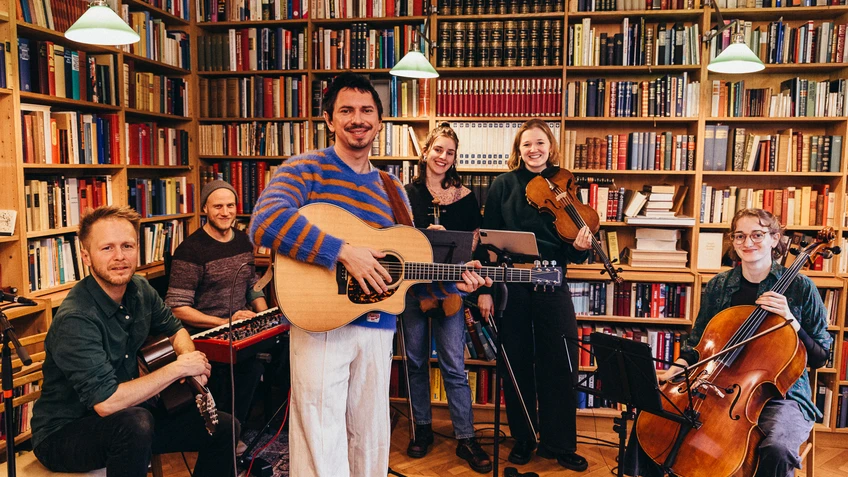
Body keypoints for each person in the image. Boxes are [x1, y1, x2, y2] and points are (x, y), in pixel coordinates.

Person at [249, 72, 491, 477]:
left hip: (377, 328)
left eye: (366, 111)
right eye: (346, 110)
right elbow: (265, 221)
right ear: (329, 119)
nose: (357, 119)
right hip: (320, 324)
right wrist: (342, 252)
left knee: (370, 434)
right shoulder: (305, 168)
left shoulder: (392, 189)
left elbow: (408, 276)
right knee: (320, 432)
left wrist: (453, 280)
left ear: (379, 122)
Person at [31, 205, 238, 477]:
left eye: (127, 246)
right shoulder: (76, 318)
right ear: (86, 256)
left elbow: (177, 331)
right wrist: (178, 368)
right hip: (65, 433)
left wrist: (192, 365)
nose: (120, 257)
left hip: (130, 416)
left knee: (225, 427)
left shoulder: (139, 288)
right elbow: (106, 403)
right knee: (135, 423)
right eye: (107, 248)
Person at [647, 208, 832, 477]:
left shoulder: (801, 288)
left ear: (774, 238)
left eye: (757, 235)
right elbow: (697, 344)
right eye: (740, 236)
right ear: (732, 241)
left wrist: (791, 320)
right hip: (715, 385)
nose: (747, 243)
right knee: (658, 423)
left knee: (777, 448)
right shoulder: (719, 285)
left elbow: (820, 356)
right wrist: (674, 371)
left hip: (783, 395)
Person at [477, 118, 591, 472]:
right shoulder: (502, 185)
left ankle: (560, 443)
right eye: (527, 144)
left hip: (550, 275)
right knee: (516, 361)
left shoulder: (565, 183)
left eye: (540, 142)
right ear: (519, 149)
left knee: (560, 360)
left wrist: (581, 247)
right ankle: (524, 438)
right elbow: (488, 243)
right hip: (511, 279)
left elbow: (573, 245)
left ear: (550, 146)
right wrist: (488, 290)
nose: (534, 149)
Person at [402, 123, 491, 473]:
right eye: (438, 149)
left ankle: (466, 437)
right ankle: (421, 429)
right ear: (426, 152)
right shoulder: (405, 193)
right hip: (411, 289)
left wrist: (453, 249)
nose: (443, 157)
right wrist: (424, 241)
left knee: (454, 365)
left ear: (455, 158)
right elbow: (393, 238)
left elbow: (476, 245)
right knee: (415, 362)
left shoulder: (466, 197)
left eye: (450, 152)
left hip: (451, 291)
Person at [165, 180, 269, 432]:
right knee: (250, 368)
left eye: (230, 205)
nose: (225, 212)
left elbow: (252, 284)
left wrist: (265, 316)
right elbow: (176, 307)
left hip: (242, 326)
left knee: (283, 353)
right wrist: (224, 322)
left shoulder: (243, 241)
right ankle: (228, 434)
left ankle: (260, 427)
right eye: (218, 206)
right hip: (206, 334)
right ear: (204, 209)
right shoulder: (190, 251)